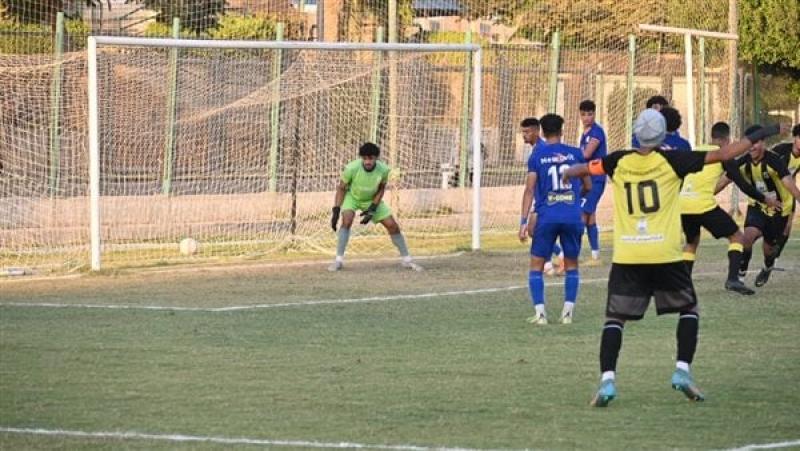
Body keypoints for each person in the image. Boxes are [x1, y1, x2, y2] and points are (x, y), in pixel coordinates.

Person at [563, 109, 785, 407]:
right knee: (690, 309)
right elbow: (727, 153)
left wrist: (568, 172)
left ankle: (607, 381)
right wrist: (763, 132)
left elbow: (586, 169)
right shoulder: (674, 160)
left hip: (628, 254)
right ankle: (682, 371)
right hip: (664, 254)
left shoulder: (617, 160)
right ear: (663, 134)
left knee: (615, 318)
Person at [519, 114, 591, 325]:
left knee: (536, 266)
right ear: (562, 131)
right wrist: (577, 200)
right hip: (571, 216)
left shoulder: (537, 156)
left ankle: (541, 314)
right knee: (571, 265)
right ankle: (567, 313)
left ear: (542, 131)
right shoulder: (576, 154)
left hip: (546, 216)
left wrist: (523, 222)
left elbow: (530, 189)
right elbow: (588, 185)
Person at [679, 122, 760, 295]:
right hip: (702, 205)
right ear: (726, 139)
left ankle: (683, 285)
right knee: (737, 236)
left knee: (691, 243)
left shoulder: (696, 150)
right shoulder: (723, 155)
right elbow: (743, 185)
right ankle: (732, 279)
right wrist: (764, 198)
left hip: (683, 204)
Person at [719, 125, 800, 287]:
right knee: (747, 238)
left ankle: (768, 266)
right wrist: (706, 193)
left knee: (769, 250)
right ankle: (740, 275)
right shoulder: (743, 161)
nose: (752, 147)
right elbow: (724, 180)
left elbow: (789, 183)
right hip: (757, 205)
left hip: (779, 208)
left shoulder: (774, 160)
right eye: (749, 143)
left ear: (762, 143)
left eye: (756, 143)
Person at [329, 142, 422, 272]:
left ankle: (407, 260)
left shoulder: (384, 170)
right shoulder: (351, 168)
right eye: (365, 158)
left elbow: (381, 189)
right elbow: (341, 188)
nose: (367, 161)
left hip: (371, 199)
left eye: (371, 158)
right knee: (347, 220)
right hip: (352, 197)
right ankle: (338, 260)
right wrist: (336, 210)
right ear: (361, 158)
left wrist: (372, 208)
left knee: (392, 225)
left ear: (376, 158)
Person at [521, 117, 564, 274]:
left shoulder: (540, 152)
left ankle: (553, 261)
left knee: (536, 230)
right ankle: (553, 260)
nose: (524, 135)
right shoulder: (540, 149)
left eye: (527, 132)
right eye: (523, 132)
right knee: (535, 231)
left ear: (537, 131)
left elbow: (530, 187)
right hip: (544, 199)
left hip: (546, 200)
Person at [578, 100, 607, 265]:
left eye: (590, 114)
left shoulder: (597, 132)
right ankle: (595, 256)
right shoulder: (585, 132)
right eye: (583, 114)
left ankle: (571, 255)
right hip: (587, 178)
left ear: (594, 114)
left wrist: (571, 155)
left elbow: (587, 154)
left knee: (581, 214)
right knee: (590, 217)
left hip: (596, 179)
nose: (586, 117)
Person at [767, 123, 800, 262]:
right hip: (773, 192)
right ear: (795, 138)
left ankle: (773, 259)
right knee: (770, 230)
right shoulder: (780, 150)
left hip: (788, 193)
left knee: (787, 228)